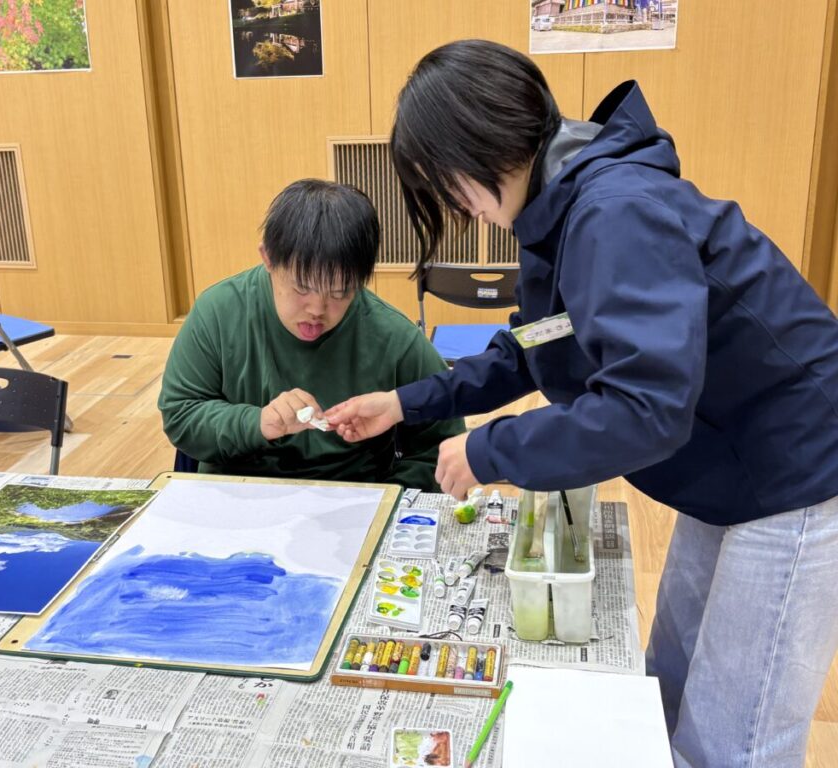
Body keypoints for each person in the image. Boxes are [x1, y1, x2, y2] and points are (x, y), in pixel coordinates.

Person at [326, 40, 838, 768]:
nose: (458, 206)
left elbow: (643, 408)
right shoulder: (559, 207)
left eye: (447, 183)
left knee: (737, 739)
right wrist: (405, 403)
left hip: (796, 466)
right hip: (731, 460)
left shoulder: (613, 212)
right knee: (668, 680)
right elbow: (535, 345)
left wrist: (491, 450)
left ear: (481, 142)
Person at [158, 179, 463, 490]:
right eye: (301, 288)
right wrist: (258, 423)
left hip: (352, 497)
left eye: (340, 292)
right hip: (234, 491)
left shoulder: (394, 337)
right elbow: (180, 415)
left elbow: (439, 446)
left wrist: (385, 499)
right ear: (268, 258)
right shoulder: (218, 312)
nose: (317, 309)